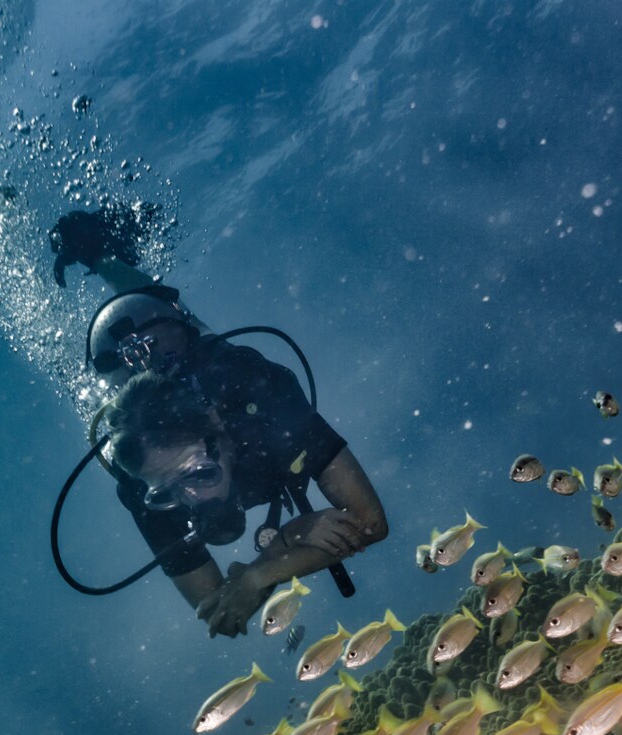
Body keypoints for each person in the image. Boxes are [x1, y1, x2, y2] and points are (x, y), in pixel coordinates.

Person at [49, 209, 388, 637]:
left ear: (219, 433)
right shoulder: (139, 480)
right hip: (143, 401)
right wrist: (288, 546)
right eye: (168, 492)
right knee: (119, 356)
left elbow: (372, 521)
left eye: (199, 473)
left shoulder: (260, 397)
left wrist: (261, 570)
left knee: (170, 320)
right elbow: (220, 612)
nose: (189, 498)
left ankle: (99, 255)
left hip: (212, 367)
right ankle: (102, 265)